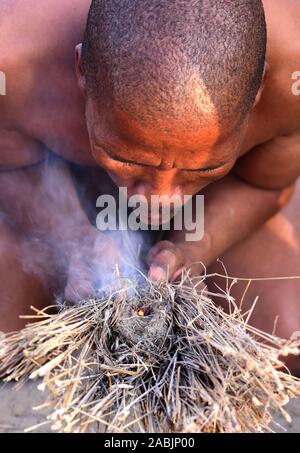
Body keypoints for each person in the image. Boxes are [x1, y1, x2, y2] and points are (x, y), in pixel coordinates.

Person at [0, 0, 299, 372]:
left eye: (206, 165)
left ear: (257, 93)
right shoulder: (11, 62)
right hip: (65, 193)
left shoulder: (292, 81)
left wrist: (194, 248)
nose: (158, 200)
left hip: (214, 206)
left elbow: (263, 185)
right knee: (6, 343)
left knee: (287, 344)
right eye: (124, 159)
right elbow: (10, 169)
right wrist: (76, 240)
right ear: (82, 70)